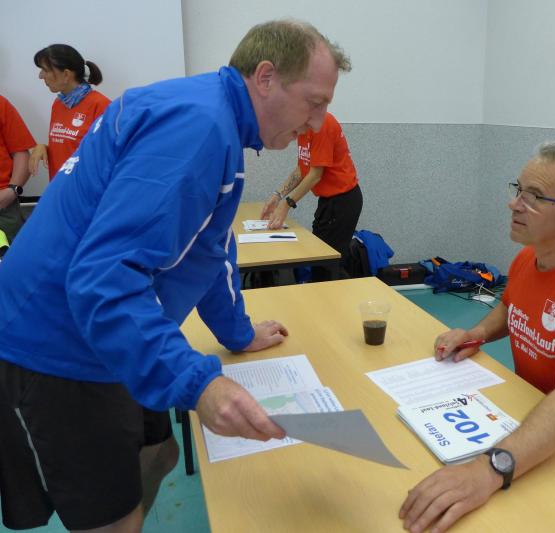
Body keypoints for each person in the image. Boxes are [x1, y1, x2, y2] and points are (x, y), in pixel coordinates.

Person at [0, 20, 349, 532]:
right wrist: (198, 383)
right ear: (266, 77)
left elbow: (209, 245)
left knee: (160, 452)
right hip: (60, 340)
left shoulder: (215, 117)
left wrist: (238, 333)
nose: (318, 123)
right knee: (111, 518)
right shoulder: (199, 128)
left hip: (108, 328)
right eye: (314, 103)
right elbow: (103, 279)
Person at [399, 142, 555, 533]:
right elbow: (511, 307)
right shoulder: (529, 257)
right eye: (519, 190)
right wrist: (477, 333)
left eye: (533, 197)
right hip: (538, 409)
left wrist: (488, 470)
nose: (514, 204)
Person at [260, 111, 362, 280]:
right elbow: (302, 169)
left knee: (327, 265)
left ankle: (343, 295)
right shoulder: (303, 128)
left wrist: (286, 204)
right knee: (319, 261)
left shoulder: (322, 124)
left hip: (343, 200)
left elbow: (315, 175)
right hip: (327, 201)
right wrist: (277, 195)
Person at [28, 44, 111, 181]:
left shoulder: (101, 105)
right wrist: (43, 148)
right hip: (59, 188)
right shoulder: (59, 103)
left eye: (45, 70)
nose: (40, 76)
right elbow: (69, 148)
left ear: (66, 74)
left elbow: (106, 156)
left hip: (85, 190)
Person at [0, 95, 35, 243]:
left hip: (3, 208)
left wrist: (12, 191)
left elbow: (21, 152)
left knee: (9, 256)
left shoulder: (1, 104)